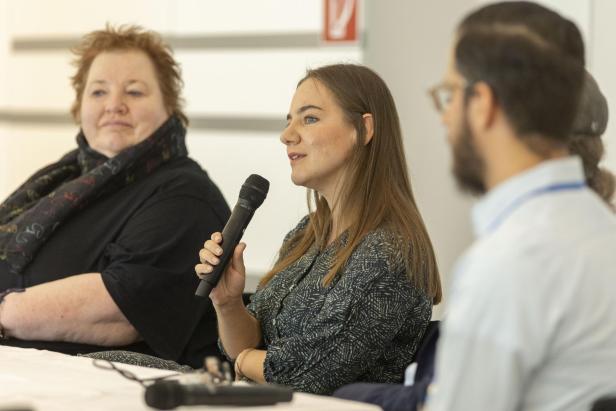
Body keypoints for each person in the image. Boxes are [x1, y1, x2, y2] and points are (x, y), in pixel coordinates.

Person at [331, 68, 616, 411]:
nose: (449, 120)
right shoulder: (591, 235)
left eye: (457, 99)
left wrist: (348, 397)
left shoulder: (514, 258)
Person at [195, 63, 442, 394]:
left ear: (364, 129)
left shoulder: (390, 251)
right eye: (289, 121)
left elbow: (306, 373)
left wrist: (243, 364)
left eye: (309, 118)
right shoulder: (306, 234)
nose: (287, 135)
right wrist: (227, 303)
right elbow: (246, 345)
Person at [0, 25, 230, 369]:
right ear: (79, 106)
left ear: (170, 105)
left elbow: (120, 310)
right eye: (97, 92)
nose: (114, 105)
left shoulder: (186, 196)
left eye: (134, 92)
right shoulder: (60, 181)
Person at [424, 2, 616, 410]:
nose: (445, 118)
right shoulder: (603, 231)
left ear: (483, 104)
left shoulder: (507, 263)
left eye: (450, 95)